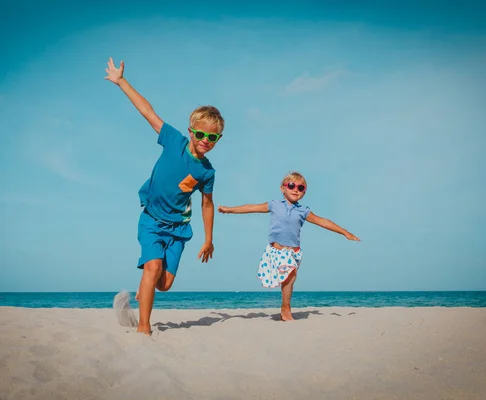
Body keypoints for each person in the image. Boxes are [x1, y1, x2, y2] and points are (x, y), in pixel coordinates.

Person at [105, 57, 224, 335]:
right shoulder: (173, 141)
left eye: (212, 137)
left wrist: (208, 239)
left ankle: (146, 287)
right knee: (152, 267)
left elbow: (207, 204)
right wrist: (121, 81)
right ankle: (143, 329)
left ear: (218, 139)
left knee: (164, 283)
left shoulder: (207, 172)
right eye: (201, 133)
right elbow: (148, 111)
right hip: (151, 220)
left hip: (179, 228)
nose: (205, 140)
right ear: (190, 131)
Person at [218, 171, 360, 321]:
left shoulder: (303, 211)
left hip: (294, 252)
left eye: (301, 188)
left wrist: (345, 233)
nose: (295, 190)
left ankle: (285, 306)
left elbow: (322, 221)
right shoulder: (274, 205)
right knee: (289, 274)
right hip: (276, 251)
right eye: (292, 185)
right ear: (283, 188)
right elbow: (251, 208)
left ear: (304, 193)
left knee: (289, 278)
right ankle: (286, 309)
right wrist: (229, 209)